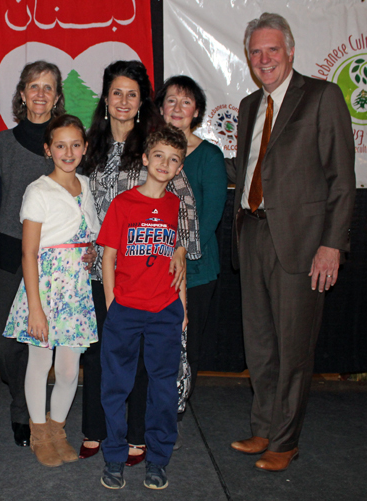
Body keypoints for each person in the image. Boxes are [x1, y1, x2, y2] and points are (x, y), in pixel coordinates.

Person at [226, 13, 356, 472]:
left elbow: (342, 178)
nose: (264, 59)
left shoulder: (321, 97)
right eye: (256, 52)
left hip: (302, 244)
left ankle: (285, 440)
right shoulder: (247, 106)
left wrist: (332, 244)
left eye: (272, 50)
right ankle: (263, 427)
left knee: (294, 346)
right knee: (259, 344)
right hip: (253, 234)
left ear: (291, 51)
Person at [81, 60, 201, 466]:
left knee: (144, 362)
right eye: (117, 92)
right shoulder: (89, 143)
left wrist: (180, 249)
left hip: (143, 272)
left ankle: (136, 436)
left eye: (132, 93)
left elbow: (181, 200)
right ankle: (96, 430)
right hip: (98, 266)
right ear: (106, 97)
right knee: (100, 355)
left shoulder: (154, 145)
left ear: (141, 101)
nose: (123, 101)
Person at [0, 61, 93, 447]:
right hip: (15, 251)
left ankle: (35, 419)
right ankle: (25, 408)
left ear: (57, 95)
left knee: (52, 348)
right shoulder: (2, 142)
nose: (41, 93)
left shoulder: (69, 143)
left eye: (49, 87)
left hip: (61, 265)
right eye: (34, 86)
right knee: (7, 341)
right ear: (22, 93)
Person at [3, 115, 100, 467]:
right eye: (60, 145)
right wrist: (35, 308)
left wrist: (91, 251)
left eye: (76, 144)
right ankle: (39, 432)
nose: (68, 152)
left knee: (71, 370)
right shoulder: (38, 190)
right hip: (44, 289)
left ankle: (57, 429)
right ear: (48, 150)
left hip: (77, 290)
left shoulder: (88, 186)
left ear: (85, 148)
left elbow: (89, 234)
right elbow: (29, 251)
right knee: (40, 362)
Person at [98, 124, 188, 490]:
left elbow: (178, 261)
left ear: (179, 168)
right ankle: (115, 457)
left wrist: (183, 309)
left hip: (165, 310)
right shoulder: (123, 203)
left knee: (163, 389)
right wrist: (111, 304)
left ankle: (157, 459)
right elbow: (108, 258)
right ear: (145, 159)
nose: (165, 164)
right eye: (159, 156)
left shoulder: (176, 205)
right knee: (115, 386)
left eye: (174, 159)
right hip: (125, 310)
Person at [155, 76, 227, 433]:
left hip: (195, 269)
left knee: (187, 346)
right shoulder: (150, 153)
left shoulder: (210, 156)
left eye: (186, 102)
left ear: (196, 111)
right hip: (150, 267)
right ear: (161, 108)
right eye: (171, 101)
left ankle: (174, 413)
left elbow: (210, 217)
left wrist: (178, 253)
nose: (178, 109)